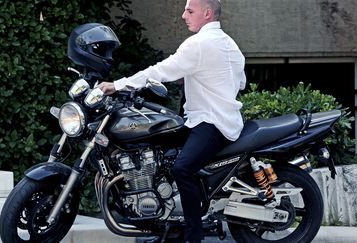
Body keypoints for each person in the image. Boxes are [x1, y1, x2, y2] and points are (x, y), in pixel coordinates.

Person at [98, 0, 246, 242]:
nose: (183, 15)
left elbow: (160, 70)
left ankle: (192, 236)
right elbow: (239, 83)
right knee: (162, 153)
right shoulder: (230, 45)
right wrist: (194, 76)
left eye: (190, 10)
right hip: (214, 119)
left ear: (207, 13)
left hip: (212, 122)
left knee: (182, 169)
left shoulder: (198, 44)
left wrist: (118, 85)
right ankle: (164, 218)